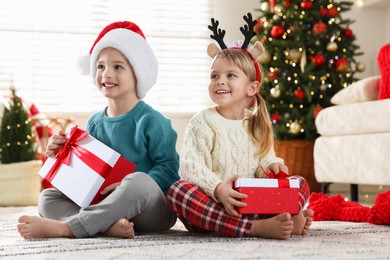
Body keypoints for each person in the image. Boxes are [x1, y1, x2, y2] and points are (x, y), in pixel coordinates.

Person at [17, 21, 180, 239]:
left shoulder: (153, 121)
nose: (106, 74)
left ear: (138, 73)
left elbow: (169, 171)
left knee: (138, 182)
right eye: (101, 66)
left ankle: (67, 227)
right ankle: (104, 226)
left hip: (149, 209)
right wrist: (60, 156)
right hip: (104, 206)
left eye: (118, 67)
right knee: (48, 197)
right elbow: (85, 173)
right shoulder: (95, 121)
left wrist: (124, 186)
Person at [167, 14, 313, 240]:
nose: (220, 81)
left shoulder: (256, 124)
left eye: (230, 75)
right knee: (178, 191)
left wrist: (273, 166)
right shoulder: (202, 122)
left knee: (300, 184)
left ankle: (280, 216)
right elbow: (191, 168)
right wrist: (218, 189)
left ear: (252, 88)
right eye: (214, 76)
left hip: (250, 203)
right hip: (213, 207)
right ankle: (256, 228)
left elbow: (263, 160)